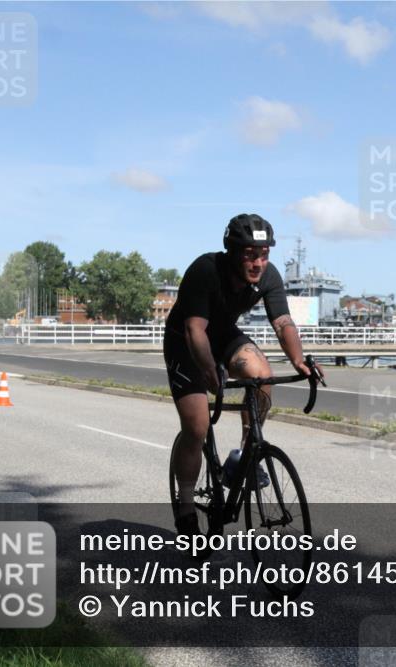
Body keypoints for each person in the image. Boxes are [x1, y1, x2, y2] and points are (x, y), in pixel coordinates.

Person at [163, 213, 321, 536]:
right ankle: (186, 503)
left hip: (221, 335)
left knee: (261, 374)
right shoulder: (205, 270)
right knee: (197, 426)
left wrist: (299, 360)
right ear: (233, 251)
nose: (258, 262)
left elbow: (283, 323)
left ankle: (244, 458)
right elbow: (195, 329)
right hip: (186, 341)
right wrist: (210, 371)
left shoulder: (268, 276)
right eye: (250, 254)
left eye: (264, 254)